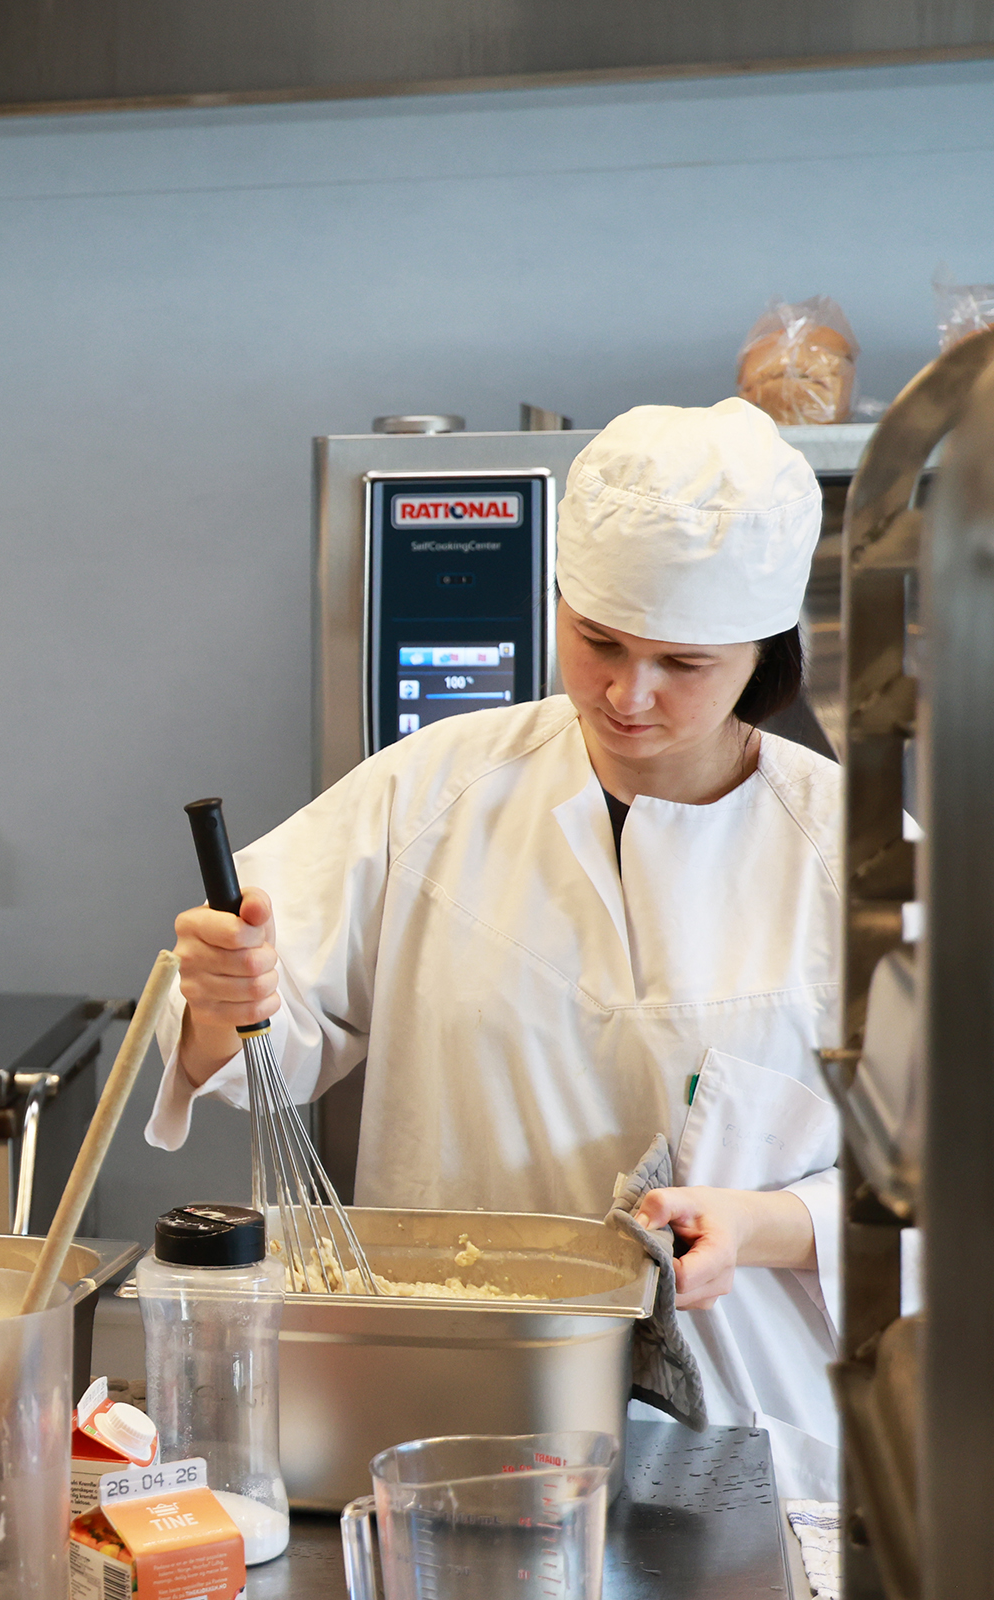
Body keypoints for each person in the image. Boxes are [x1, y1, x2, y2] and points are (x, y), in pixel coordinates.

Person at [148, 398, 844, 1499]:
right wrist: (218, 1001)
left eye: (683, 662)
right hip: (448, 1403)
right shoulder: (432, 793)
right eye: (599, 641)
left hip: (748, 1436)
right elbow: (258, 1043)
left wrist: (772, 1223)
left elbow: (947, 1173)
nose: (628, 694)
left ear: (764, 655)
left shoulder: (857, 857)